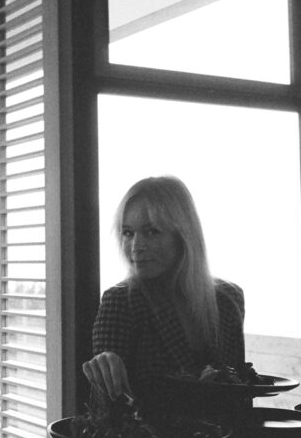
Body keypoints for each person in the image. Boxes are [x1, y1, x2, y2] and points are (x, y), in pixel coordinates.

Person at [82, 176, 246, 423]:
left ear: (184, 235)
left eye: (152, 232)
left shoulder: (227, 299)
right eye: (128, 233)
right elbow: (105, 417)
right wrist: (103, 372)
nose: (136, 246)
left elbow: (241, 393)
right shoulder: (121, 301)